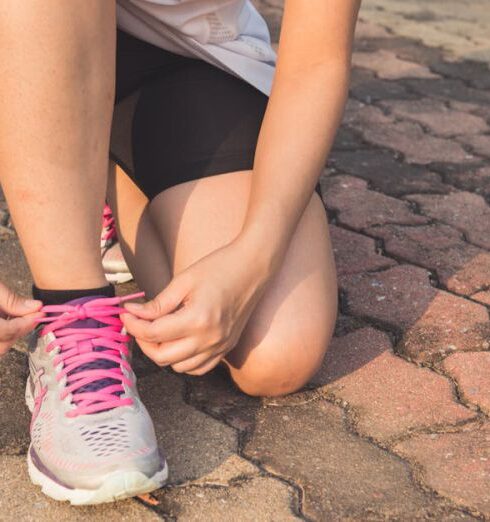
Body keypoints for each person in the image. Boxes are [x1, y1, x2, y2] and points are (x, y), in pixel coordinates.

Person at [0, 0, 361, 505]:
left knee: (275, 352)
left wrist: (252, 258)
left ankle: (88, 173)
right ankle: (73, 315)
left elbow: (318, 61)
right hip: (19, 39)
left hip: (184, 53)